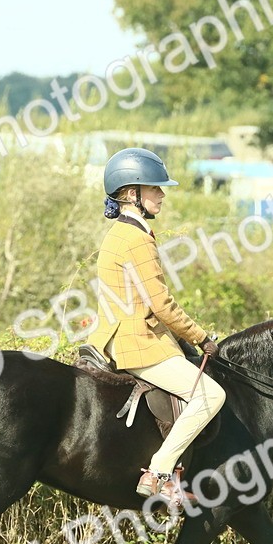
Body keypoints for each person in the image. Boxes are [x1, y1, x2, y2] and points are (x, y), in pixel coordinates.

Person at [86, 147, 226, 502]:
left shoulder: (122, 232)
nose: (162, 195)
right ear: (131, 193)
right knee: (212, 394)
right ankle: (159, 470)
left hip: (121, 337)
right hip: (138, 343)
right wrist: (201, 336)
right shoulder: (136, 238)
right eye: (155, 189)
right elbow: (161, 303)